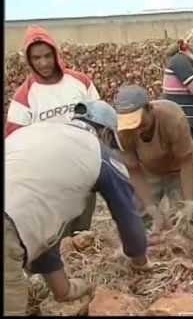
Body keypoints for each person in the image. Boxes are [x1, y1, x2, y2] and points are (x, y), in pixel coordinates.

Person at [4, 100, 152, 316]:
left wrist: (65, 291)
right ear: (106, 135)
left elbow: (40, 230)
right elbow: (128, 217)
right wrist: (140, 261)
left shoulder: (35, 134)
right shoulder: (99, 153)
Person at [5, 25, 101, 236]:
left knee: (82, 230)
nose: (44, 63)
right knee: (56, 234)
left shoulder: (80, 82)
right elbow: (13, 141)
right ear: (29, 61)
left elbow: (99, 118)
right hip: (48, 175)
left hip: (82, 165)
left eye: (48, 56)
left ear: (55, 54)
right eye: (37, 58)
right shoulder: (24, 96)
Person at [113, 84, 193, 234]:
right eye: (131, 126)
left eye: (140, 124)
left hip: (179, 169)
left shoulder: (173, 118)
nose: (137, 130)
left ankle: (187, 248)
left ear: (149, 109)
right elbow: (133, 169)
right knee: (138, 220)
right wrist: (150, 207)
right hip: (148, 171)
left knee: (187, 220)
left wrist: (189, 201)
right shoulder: (121, 131)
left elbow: (186, 161)